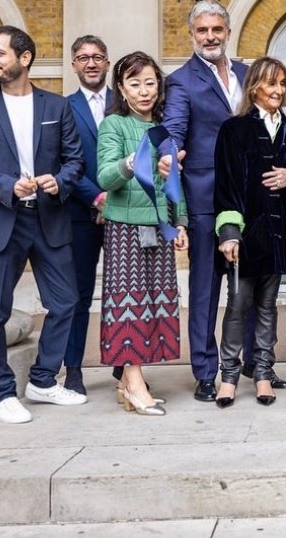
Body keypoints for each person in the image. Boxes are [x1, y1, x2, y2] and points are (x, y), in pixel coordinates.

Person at [0, 25, 87, 424]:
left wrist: (59, 181)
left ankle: (43, 380)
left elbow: (74, 161)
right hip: (2, 217)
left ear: (24, 58)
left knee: (65, 302)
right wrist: (8, 185)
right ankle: (0, 393)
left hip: (48, 218)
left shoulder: (56, 107)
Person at [163, 0, 286, 403]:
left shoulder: (247, 73)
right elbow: (175, 129)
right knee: (206, 289)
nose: (210, 36)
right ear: (192, 34)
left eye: (217, 29)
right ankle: (205, 370)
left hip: (249, 197)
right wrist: (169, 152)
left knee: (249, 286)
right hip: (204, 199)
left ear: (227, 32)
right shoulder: (181, 81)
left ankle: (254, 364)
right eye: (202, 31)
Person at [212, 57, 286, 408]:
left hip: (278, 234)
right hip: (243, 236)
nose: (279, 91)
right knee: (237, 306)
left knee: (269, 307)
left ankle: (264, 373)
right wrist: (228, 233)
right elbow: (226, 186)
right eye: (272, 84)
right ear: (255, 86)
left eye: (283, 84)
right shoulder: (233, 129)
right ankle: (229, 378)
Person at [97, 51, 188, 416]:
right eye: (134, 84)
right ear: (122, 87)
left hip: (159, 227)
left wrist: (180, 222)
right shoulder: (114, 125)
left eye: (150, 82)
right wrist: (132, 163)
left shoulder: (164, 127)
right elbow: (105, 177)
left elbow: (174, 182)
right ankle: (134, 383)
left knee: (154, 301)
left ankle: (128, 382)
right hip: (124, 228)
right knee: (129, 304)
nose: (144, 91)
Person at [62, 34, 111, 395]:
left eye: (97, 57)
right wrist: (96, 197)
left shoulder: (126, 104)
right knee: (78, 294)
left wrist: (116, 199)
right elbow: (65, 162)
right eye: (83, 58)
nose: (90, 63)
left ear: (108, 63)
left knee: (126, 291)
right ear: (74, 65)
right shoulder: (64, 109)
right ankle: (74, 369)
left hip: (126, 212)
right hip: (80, 214)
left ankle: (125, 363)